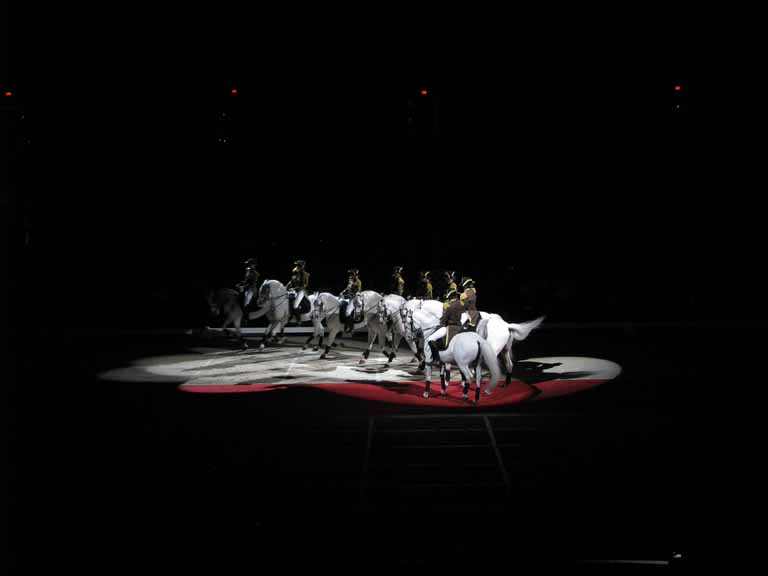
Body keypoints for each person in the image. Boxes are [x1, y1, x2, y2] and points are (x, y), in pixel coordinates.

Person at [423, 289, 463, 395]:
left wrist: (440, 323)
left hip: (449, 328)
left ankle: (435, 358)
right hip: (459, 328)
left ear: (450, 297)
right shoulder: (461, 304)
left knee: (430, 339)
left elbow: (444, 320)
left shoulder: (449, 306)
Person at [236, 258, 260, 324]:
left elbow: (252, 282)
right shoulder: (248, 270)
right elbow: (245, 280)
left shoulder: (255, 273)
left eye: (249, 264)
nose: (248, 266)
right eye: (248, 264)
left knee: (246, 301)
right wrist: (240, 284)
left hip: (251, 288)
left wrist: (244, 284)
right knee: (238, 295)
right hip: (246, 286)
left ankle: (245, 317)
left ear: (253, 265)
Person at [340, 268, 362, 333]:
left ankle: (358, 314)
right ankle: (349, 325)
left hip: (356, 297)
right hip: (350, 298)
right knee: (347, 313)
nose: (351, 277)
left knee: (359, 302)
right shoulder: (351, 281)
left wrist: (350, 294)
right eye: (351, 275)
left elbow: (357, 290)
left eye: (352, 275)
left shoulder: (358, 281)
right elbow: (347, 288)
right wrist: (342, 292)